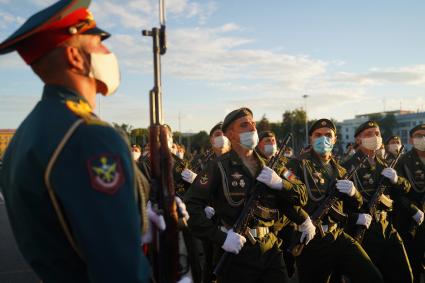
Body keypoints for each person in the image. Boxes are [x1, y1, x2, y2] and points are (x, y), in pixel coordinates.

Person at [0, 1, 188, 282]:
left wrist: (134, 219)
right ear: (75, 58)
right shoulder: (91, 136)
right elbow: (118, 270)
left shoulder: (28, 133)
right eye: (100, 44)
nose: (109, 54)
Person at [184, 107, 310, 283]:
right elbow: (190, 208)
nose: (252, 128)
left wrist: (281, 184)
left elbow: (302, 194)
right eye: (244, 125)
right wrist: (221, 237)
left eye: (253, 124)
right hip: (236, 252)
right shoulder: (217, 167)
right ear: (230, 134)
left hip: (270, 250)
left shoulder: (273, 167)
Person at [286, 119, 382, 283]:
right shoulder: (297, 165)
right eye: (318, 135)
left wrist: (354, 193)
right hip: (312, 238)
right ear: (311, 139)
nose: (323, 139)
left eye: (328, 135)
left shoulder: (341, 170)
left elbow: (355, 206)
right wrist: (302, 220)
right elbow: (287, 197)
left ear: (335, 139)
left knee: (372, 276)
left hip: (338, 235)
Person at [342, 120, 413, 283]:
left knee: (404, 274)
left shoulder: (384, 164)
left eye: (377, 133)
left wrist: (397, 180)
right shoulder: (347, 167)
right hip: (366, 230)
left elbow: (407, 189)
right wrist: (355, 218)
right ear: (358, 140)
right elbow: (342, 204)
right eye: (369, 134)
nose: (375, 137)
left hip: (387, 227)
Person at [395, 124, 425, 283]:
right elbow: (398, 193)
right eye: (419, 135)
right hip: (412, 220)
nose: (423, 139)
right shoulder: (403, 161)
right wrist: (413, 210)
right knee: (413, 261)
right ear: (411, 140)